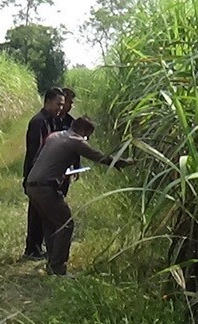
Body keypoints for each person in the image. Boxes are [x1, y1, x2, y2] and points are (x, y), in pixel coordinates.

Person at [23, 116, 133, 275]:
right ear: (82, 130)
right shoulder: (76, 140)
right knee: (66, 223)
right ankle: (57, 268)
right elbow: (99, 156)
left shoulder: (55, 136)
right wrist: (122, 162)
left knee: (50, 223)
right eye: (87, 135)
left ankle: (52, 262)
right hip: (45, 188)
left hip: (32, 184)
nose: (87, 139)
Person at [23, 87, 66, 259]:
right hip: (37, 176)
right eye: (58, 104)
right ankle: (32, 249)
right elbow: (37, 152)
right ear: (48, 102)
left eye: (62, 105)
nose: (60, 108)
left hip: (45, 176)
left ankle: (38, 248)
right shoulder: (39, 122)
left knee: (42, 213)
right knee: (36, 213)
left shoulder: (52, 121)